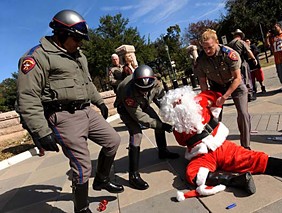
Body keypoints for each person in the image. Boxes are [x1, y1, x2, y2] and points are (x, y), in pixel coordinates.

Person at [15, 10, 123, 213]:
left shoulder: (78, 55)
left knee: (113, 141)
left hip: (86, 110)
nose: (80, 43)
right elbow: (27, 97)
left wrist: (99, 102)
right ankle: (81, 209)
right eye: (77, 39)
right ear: (62, 34)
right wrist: (41, 131)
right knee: (82, 166)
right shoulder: (37, 57)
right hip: (63, 117)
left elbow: (87, 82)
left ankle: (101, 179)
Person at [159, 86, 282, 201]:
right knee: (192, 173)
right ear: (171, 111)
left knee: (253, 158)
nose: (178, 105)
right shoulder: (178, 128)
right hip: (202, 155)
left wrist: (215, 106)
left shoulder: (200, 101)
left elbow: (216, 96)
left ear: (187, 98)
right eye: (174, 105)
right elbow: (182, 142)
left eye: (179, 101)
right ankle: (237, 180)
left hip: (221, 145)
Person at [115, 64, 179, 190]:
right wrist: (162, 125)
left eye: (147, 89)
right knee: (137, 134)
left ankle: (163, 151)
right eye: (141, 89)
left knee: (158, 123)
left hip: (143, 104)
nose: (144, 91)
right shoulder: (128, 91)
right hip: (127, 109)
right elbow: (139, 117)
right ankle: (133, 175)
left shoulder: (157, 84)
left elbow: (161, 101)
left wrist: (173, 113)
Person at [194, 29, 251, 149]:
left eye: (210, 47)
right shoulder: (201, 60)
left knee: (243, 114)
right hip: (216, 87)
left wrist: (224, 97)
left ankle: (246, 146)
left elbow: (237, 78)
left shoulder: (230, 54)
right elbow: (203, 82)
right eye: (204, 48)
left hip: (235, 85)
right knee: (213, 116)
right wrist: (206, 99)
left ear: (217, 42)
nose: (207, 51)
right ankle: (215, 146)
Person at [228, 29, 257, 101]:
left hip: (233, 64)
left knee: (238, 79)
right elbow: (248, 51)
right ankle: (249, 94)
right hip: (242, 62)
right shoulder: (241, 42)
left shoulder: (230, 44)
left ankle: (242, 95)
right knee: (247, 78)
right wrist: (253, 59)